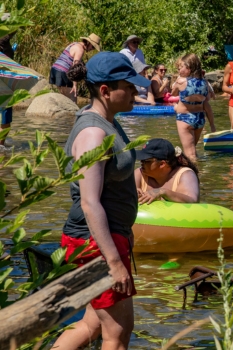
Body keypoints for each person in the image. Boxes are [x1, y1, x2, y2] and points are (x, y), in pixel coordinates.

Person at [52, 51, 149, 349]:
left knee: (92, 324)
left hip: (100, 240)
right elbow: (90, 203)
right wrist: (114, 261)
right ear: (105, 91)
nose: (137, 91)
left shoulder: (107, 119)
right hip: (96, 244)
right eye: (129, 86)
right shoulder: (93, 133)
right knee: (118, 333)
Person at [171, 53, 215, 161]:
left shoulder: (181, 82)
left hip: (185, 119)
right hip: (200, 119)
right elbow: (208, 102)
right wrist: (212, 124)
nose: (179, 70)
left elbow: (173, 94)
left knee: (190, 155)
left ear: (189, 68)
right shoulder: (205, 83)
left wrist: (176, 106)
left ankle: (195, 176)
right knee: (192, 151)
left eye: (182, 67)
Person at [135, 138, 199, 203]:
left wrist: (163, 192)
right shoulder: (139, 173)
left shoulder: (186, 175)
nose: (141, 163)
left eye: (146, 161)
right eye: (141, 159)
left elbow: (192, 201)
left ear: (162, 164)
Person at [49, 34, 101, 103]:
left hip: (55, 70)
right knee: (73, 100)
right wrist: (75, 85)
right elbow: (75, 69)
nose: (92, 49)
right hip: (63, 73)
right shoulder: (80, 50)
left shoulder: (74, 44)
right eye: (93, 47)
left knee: (63, 98)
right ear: (88, 43)